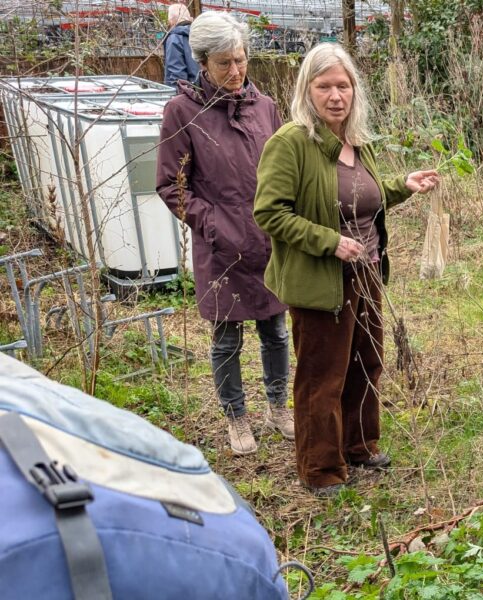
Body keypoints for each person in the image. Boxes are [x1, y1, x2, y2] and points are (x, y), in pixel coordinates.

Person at [253, 44, 439, 497]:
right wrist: (330, 242)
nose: (335, 96)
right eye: (324, 86)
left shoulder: (357, 141)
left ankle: (358, 445)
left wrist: (402, 186)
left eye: (344, 85)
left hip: (368, 272)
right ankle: (320, 468)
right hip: (321, 279)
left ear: (354, 90)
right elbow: (269, 212)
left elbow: (361, 201)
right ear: (307, 90)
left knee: (366, 361)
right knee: (323, 373)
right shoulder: (291, 143)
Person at [156, 10, 291, 456]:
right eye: (223, 64)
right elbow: (170, 185)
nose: (235, 72)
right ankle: (236, 417)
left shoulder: (265, 107)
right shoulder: (183, 112)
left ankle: (278, 406)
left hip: (269, 240)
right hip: (221, 248)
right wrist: (212, 224)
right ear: (201, 62)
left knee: (276, 329)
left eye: (241, 60)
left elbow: (284, 172)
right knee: (227, 338)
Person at [162, 3, 200, 87]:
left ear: (171, 22)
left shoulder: (174, 39)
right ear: (191, 19)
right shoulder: (200, 34)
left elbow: (177, 76)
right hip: (207, 91)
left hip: (188, 94)